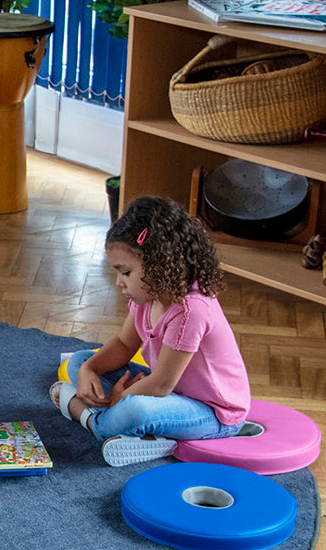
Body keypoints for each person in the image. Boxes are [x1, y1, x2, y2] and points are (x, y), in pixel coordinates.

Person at [50, 195, 252, 466]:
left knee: (136, 411)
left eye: (126, 272)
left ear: (159, 264)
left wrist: (123, 398)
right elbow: (123, 345)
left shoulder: (190, 310)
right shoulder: (148, 297)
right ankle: (120, 423)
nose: (119, 282)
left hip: (213, 414)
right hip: (170, 394)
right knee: (80, 360)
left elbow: (161, 383)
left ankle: (88, 418)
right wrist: (89, 370)